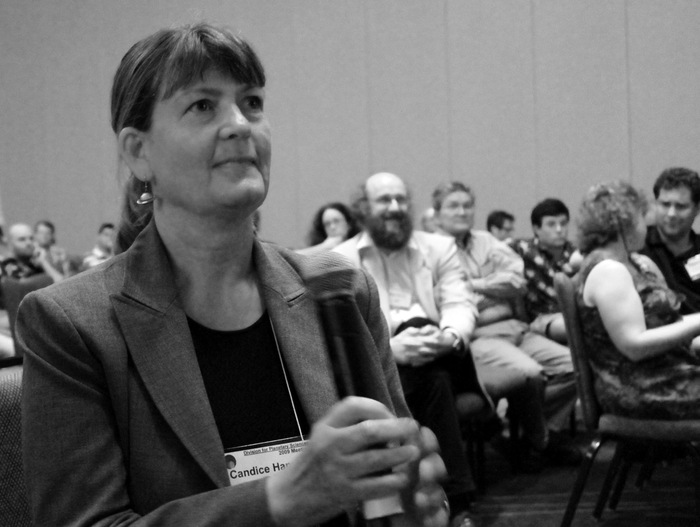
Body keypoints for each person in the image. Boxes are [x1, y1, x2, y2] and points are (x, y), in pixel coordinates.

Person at [17, 24, 449, 527]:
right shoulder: (72, 324)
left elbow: (394, 486)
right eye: (203, 105)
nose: (240, 125)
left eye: (252, 103)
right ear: (138, 152)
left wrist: (418, 504)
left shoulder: (340, 290)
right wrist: (278, 500)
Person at [335, 172, 484, 526]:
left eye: (401, 199)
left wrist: (447, 336)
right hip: (392, 364)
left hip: (445, 352)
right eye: (384, 200)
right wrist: (391, 350)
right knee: (434, 381)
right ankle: (459, 501)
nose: (395, 207)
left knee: (420, 328)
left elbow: (460, 302)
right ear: (363, 208)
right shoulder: (342, 259)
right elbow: (349, 332)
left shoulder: (439, 247)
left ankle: (400, 501)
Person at [432, 182, 580, 471]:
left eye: (467, 205)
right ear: (437, 213)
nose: (462, 211)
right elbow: (443, 299)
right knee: (531, 374)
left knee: (575, 368)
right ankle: (541, 440)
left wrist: (472, 285)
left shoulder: (485, 240)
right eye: (453, 206)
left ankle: (522, 432)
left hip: (516, 328)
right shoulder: (431, 250)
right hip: (480, 337)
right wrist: (494, 289)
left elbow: (516, 280)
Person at [575, 181, 700, 419]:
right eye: (642, 217)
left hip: (665, 372)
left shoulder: (633, 262)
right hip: (642, 387)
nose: (647, 224)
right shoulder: (608, 270)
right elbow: (634, 346)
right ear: (625, 223)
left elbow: (668, 325)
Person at [510, 198, 576, 344]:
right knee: (568, 327)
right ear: (536, 229)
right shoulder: (522, 249)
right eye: (551, 224)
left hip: (575, 313)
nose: (559, 230)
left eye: (563, 223)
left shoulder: (577, 253)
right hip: (542, 319)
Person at [640, 167, 700, 314]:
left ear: (697, 209)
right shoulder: (638, 247)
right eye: (665, 204)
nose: (671, 214)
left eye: (681, 206)